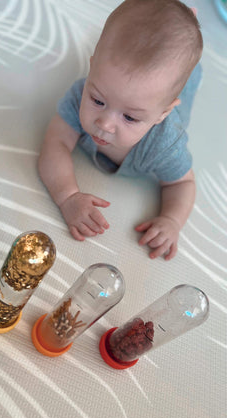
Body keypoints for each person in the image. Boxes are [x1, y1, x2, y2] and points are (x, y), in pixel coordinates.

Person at [37, 0, 203, 260]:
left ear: (162, 114)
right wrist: (68, 196)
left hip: (182, 85)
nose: (104, 123)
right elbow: (54, 144)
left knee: (187, 68)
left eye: (129, 117)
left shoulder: (166, 143)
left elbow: (183, 183)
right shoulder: (80, 93)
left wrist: (171, 220)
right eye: (98, 100)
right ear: (92, 68)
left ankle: (191, 20)